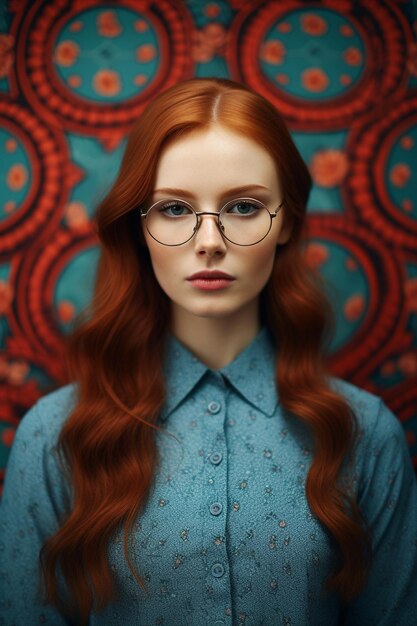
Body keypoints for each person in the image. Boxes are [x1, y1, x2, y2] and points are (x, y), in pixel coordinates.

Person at [1, 77, 416, 626]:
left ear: (286, 220)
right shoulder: (55, 435)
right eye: (173, 209)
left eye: (243, 206)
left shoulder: (364, 432)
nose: (210, 240)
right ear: (138, 223)